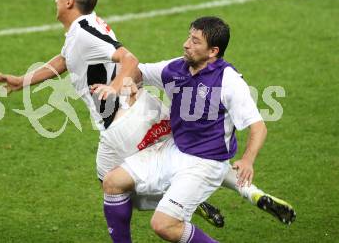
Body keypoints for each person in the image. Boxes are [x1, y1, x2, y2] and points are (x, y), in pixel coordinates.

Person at [0, 0, 222, 226]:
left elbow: (129, 59)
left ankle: (179, 198)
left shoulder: (84, 32)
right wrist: (23, 80)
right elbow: (65, 59)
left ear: (69, 2)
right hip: (129, 112)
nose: (55, 0)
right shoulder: (83, 27)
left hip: (122, 119)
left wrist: (114, 86)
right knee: (110, 182)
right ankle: (179, 196)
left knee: (122, 185)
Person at [100, 16, 295, 242]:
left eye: (195, 41)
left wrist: (248, 160)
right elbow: (139, 71)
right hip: (174, 149)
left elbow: (258, 127)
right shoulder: (176, 68)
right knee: (112, 182)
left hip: (205, 164)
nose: (186, 44)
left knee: (163, 225)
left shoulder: (228, 81)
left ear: (213, 51)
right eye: (188, 37)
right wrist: (125, 83)